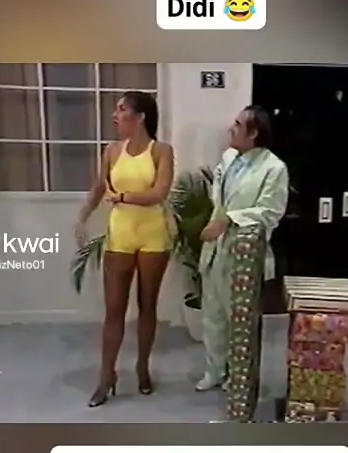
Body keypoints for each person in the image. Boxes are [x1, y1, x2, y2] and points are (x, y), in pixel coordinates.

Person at [75, 91, 174, 407]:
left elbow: (159, 193)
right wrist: (82, 217)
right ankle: (106, 376)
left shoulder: (161, 151)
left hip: (153, 235)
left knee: (147, 305)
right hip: (121, 235)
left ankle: (143, 367)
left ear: (140, 116)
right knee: (114, 309)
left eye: (121, 109)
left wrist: (122, 198)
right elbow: (99, 187)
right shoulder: (112, 150)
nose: (115, 115)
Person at [196, 105, 289, 392]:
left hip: (246, 254)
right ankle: (215, 370)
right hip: (216, 249)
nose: (230, 129)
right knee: (213, 315)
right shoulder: (228, 158)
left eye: (237, 125)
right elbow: (219, 197)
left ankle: (239, 377)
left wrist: (229, 219)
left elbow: (270, 212)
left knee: (241, 322)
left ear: (254, 133)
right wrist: (217, 221)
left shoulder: (273, 168)